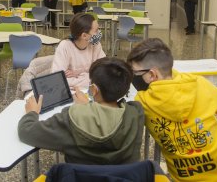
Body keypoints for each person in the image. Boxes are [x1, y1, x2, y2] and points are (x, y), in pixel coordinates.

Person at [127, 38, 217, 182]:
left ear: (153, 75)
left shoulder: (142, 101)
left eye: (135, 73)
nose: (133, 77)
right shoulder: (199, 83)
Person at [17, 57, 145, 164]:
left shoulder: (71, 117)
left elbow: (26, 132)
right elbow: (108, 118)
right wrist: (89, 105)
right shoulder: (136, 114)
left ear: (93, 90)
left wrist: (32, 113)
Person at [51, 13, 105, 88]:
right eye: (96, 30)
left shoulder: (95, 44)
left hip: (89, 91)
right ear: (84, 36)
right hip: (73, 93)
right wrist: (90, 78)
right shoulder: (65, 46)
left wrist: (78, 74)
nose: (99, 32)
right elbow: (58, 80)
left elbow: (104, 72)